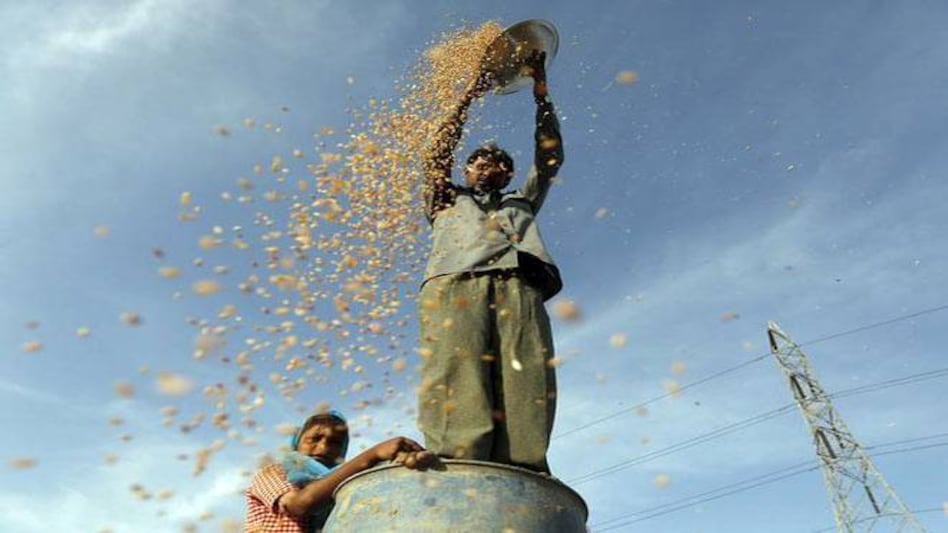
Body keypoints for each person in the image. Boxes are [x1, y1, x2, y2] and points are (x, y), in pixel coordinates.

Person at [418, 49, 564, 474]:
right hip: (454, 282)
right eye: (479, 161)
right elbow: (436, 153)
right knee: (455, 371)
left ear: (507, 173)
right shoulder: (444, 198)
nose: (489, 167)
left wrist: (540, 93)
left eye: (498, 163)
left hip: (519, 284)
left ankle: (524, 469)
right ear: (466, 170)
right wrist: (469, 95)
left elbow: (550, 157)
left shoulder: (522, 200)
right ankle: (457, 467)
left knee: (528, 378)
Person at [245, 411, 432, 532]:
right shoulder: (274, 472)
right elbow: (299, 504)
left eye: (335, 442)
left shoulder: (348, 485)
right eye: (315, 438)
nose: (323, 447)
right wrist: (372, 455)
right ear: (297, 443)